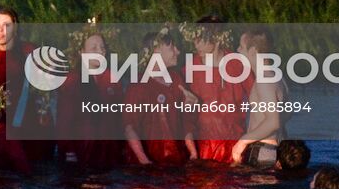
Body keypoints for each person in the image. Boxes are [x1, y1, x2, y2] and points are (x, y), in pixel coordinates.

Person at [0, 6, 54, 162]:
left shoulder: (28, 50)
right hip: (1, 123)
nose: (1, 30)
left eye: (7, 25)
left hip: (29, 122)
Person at [123, 29, 197, 166]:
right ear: (156, 51)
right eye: (171, 47)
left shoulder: (177, 80)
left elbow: (187, 122)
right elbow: (129, 127)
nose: (178, 51)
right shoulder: (138, 85)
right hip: (149, 165)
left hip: (177, 163)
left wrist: (193, 154)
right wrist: (144, 161)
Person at [56, 25, 126, 169]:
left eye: (102, 47)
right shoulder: (71, 80)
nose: (100, 51)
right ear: (82, 52)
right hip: (82, 151)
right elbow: (64, 120)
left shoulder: (112, 79)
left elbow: (121, 116)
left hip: (109, 152)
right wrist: (69, 150)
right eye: (94, 48)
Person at [185, 17, 247, 163]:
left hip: (236, 146)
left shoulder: (238, 64)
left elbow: (261, 102)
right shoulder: (190, 67)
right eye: (195, 39)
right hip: (204, 147)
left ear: (218, 39)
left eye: (201, 40)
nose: (196, 44)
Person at [232, 28, 287, 166]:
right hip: (272, 150)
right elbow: (287, 114)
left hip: (262, 151)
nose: (237, 51)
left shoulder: (264, 80)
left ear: (253, 51)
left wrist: (242, 142)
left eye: (241, 47)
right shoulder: (278, 77)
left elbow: (273, 122)